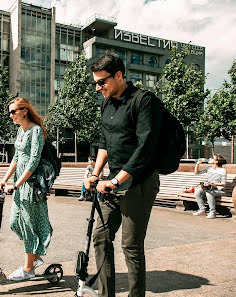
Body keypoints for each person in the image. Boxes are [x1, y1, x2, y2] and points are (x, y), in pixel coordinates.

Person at [84, 53, 162, 297]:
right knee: (100, 237)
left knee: (131, 246)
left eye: (102, 82)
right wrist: (95, 174)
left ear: (118, 75)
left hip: (138, 183)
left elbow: (145, 149)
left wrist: (117, 180)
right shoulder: (107, 103)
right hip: (112, 183)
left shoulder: (145, 101)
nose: (98, 88)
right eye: (95, 83)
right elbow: (104, 142)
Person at [0, 97, 52, 282]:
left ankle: (29, 269)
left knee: (28, 225)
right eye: (10, 112)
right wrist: (5, 180)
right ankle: (35, 256)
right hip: (18, 184)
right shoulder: (21, 131)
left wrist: (17, 184)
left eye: (14, 111)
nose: (11, 115)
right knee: (15, 223)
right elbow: (16, 159)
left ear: (24, 110)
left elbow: (33, 160)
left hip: (30, 184)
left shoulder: (35, 131)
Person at [192, 154, 227, 219]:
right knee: (197, 192)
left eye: (212, 158)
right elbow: (196, 173)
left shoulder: (222, 170)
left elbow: (223, 183)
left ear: (216, 161)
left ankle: (212, 212)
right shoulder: (208, 168)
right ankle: (202, 210)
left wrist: (212, 184)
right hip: (209, 188)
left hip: (219, 190)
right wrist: (198, 164)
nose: (210, 158)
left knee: (209, 193)